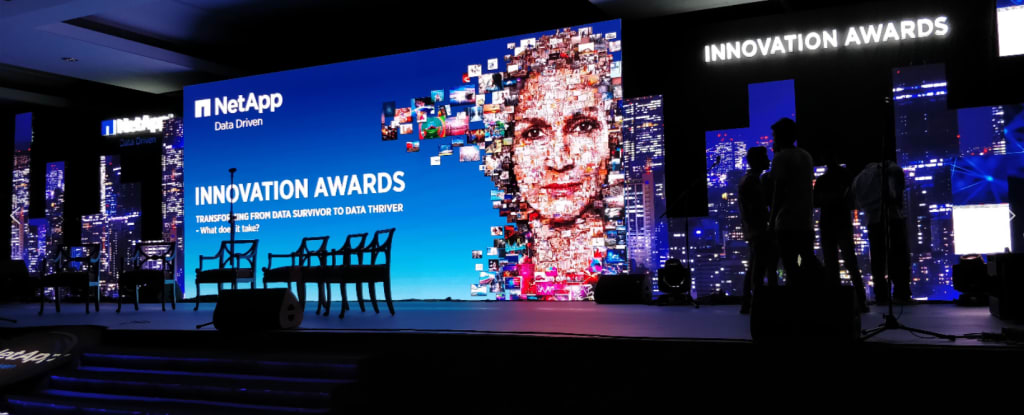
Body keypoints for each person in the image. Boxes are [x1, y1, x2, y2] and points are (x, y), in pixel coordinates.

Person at [497, 27, 623, 300]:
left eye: (583, 127)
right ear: (510, 153)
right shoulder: (503, 277)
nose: (560, 160)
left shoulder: (630, 264)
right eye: (533, 133)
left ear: (612, 138)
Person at [766, 118, 820, 287]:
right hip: (805, 219)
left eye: (775, 135)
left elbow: (779, 191)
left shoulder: (781, 158)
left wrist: (771, 220)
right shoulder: (806, 156)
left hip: (786, 221)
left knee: (790, 265)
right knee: (808, 260)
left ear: (781, 136)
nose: (773, 139)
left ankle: (796, 297)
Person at [852, 160, 911, 304]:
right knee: (899, 257)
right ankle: (901, 294)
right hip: (893, 218)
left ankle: (881, 296)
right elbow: (895, 195)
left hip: (873, 221)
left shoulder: (861, 177)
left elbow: (857, 200)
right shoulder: (892, 171)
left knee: (878, 260)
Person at [814, 154, 868, 312]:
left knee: (832, 264)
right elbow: (852, 199)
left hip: (828, 224)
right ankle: (861, 300)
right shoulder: (845, 177)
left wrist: (827, 199)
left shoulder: (822, 180)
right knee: (850, 262)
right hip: (842, 223)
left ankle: (836, 302)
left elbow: (815, 201)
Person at [738, 146, 777, 314]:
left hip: (753, 230)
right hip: (758, 230)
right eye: (765, 158)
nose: (768, 160)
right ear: (757, 161)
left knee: (754, 267)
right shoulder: (752, 182)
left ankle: (748, 303)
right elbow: (757, 209)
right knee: (759, 269)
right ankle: (756, 305)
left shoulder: (749, 180)